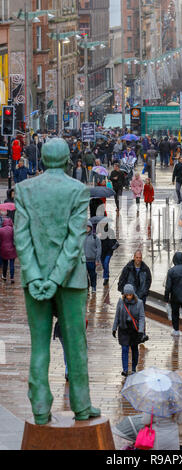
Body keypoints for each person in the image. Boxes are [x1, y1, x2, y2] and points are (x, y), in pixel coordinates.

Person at [14, 137, 100, 424]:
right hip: (70, 280)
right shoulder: (78, 190)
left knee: (39, 346)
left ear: (41, 159)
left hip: (33, 279)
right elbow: (74, 240)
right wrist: (55, 278)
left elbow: (21, 238)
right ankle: (81, 404)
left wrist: (37, 275)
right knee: (75, 345)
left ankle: (40, 408)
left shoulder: (24, 190)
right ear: (66, 161)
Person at [112, 284, 145, 377]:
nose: (129, 297)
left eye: (130, 295)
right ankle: (125, 369)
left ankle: (134, 368)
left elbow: (142, 317)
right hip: (123, 329)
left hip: (134, 330)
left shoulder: (139, 303)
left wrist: (141, 331)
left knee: (134, 349)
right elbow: (117, 315)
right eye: (127, 295)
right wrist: (114, 328)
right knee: (124, 348)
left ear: (133, 294)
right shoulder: (121, 302)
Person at [98, 220, 119, 286]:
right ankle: (106, 273)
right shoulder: (99, 232)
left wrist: (112, 246)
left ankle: (106, 278)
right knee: (104, 265)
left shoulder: (111, 231)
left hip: (108, 251)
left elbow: (114, 240)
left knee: (106, 263)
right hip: (102, 251)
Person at [84, 221, 101, 293]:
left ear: (91, 228)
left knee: (92, 274)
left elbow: (99, 248)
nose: (87, 228)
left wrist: (97, 259)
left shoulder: (95, 237)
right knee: (84, 275)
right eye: (86, 227)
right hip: (83, 260)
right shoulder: (81, 237)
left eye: (88, 227)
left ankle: (93, 286)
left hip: (92, 260)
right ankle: (86, 287)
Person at [0, 218, 17, 283]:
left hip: (3, 249)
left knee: (5, 264)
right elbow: (16, 239)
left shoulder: (0, 230)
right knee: (12, 264)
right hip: (12, 249)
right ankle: (12, 277)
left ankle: (4, 276)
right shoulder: (13, 230)